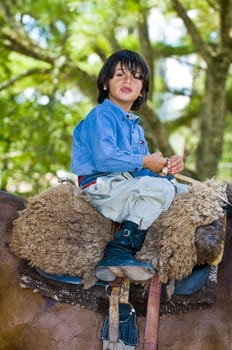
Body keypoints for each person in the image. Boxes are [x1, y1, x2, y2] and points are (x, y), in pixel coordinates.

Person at [71, 49, 188, 282]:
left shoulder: (136, 127)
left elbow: (140, 171)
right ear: (105, 84)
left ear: (142, 90)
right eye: (120, 75)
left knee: (183, 191)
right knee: (162, 190)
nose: (128, 80)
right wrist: (147, 161)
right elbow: (106, 158)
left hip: (125, 186)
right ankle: (120, 249)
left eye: (136, 77)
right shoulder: (101, 115)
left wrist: (164, 168)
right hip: (102, 186)